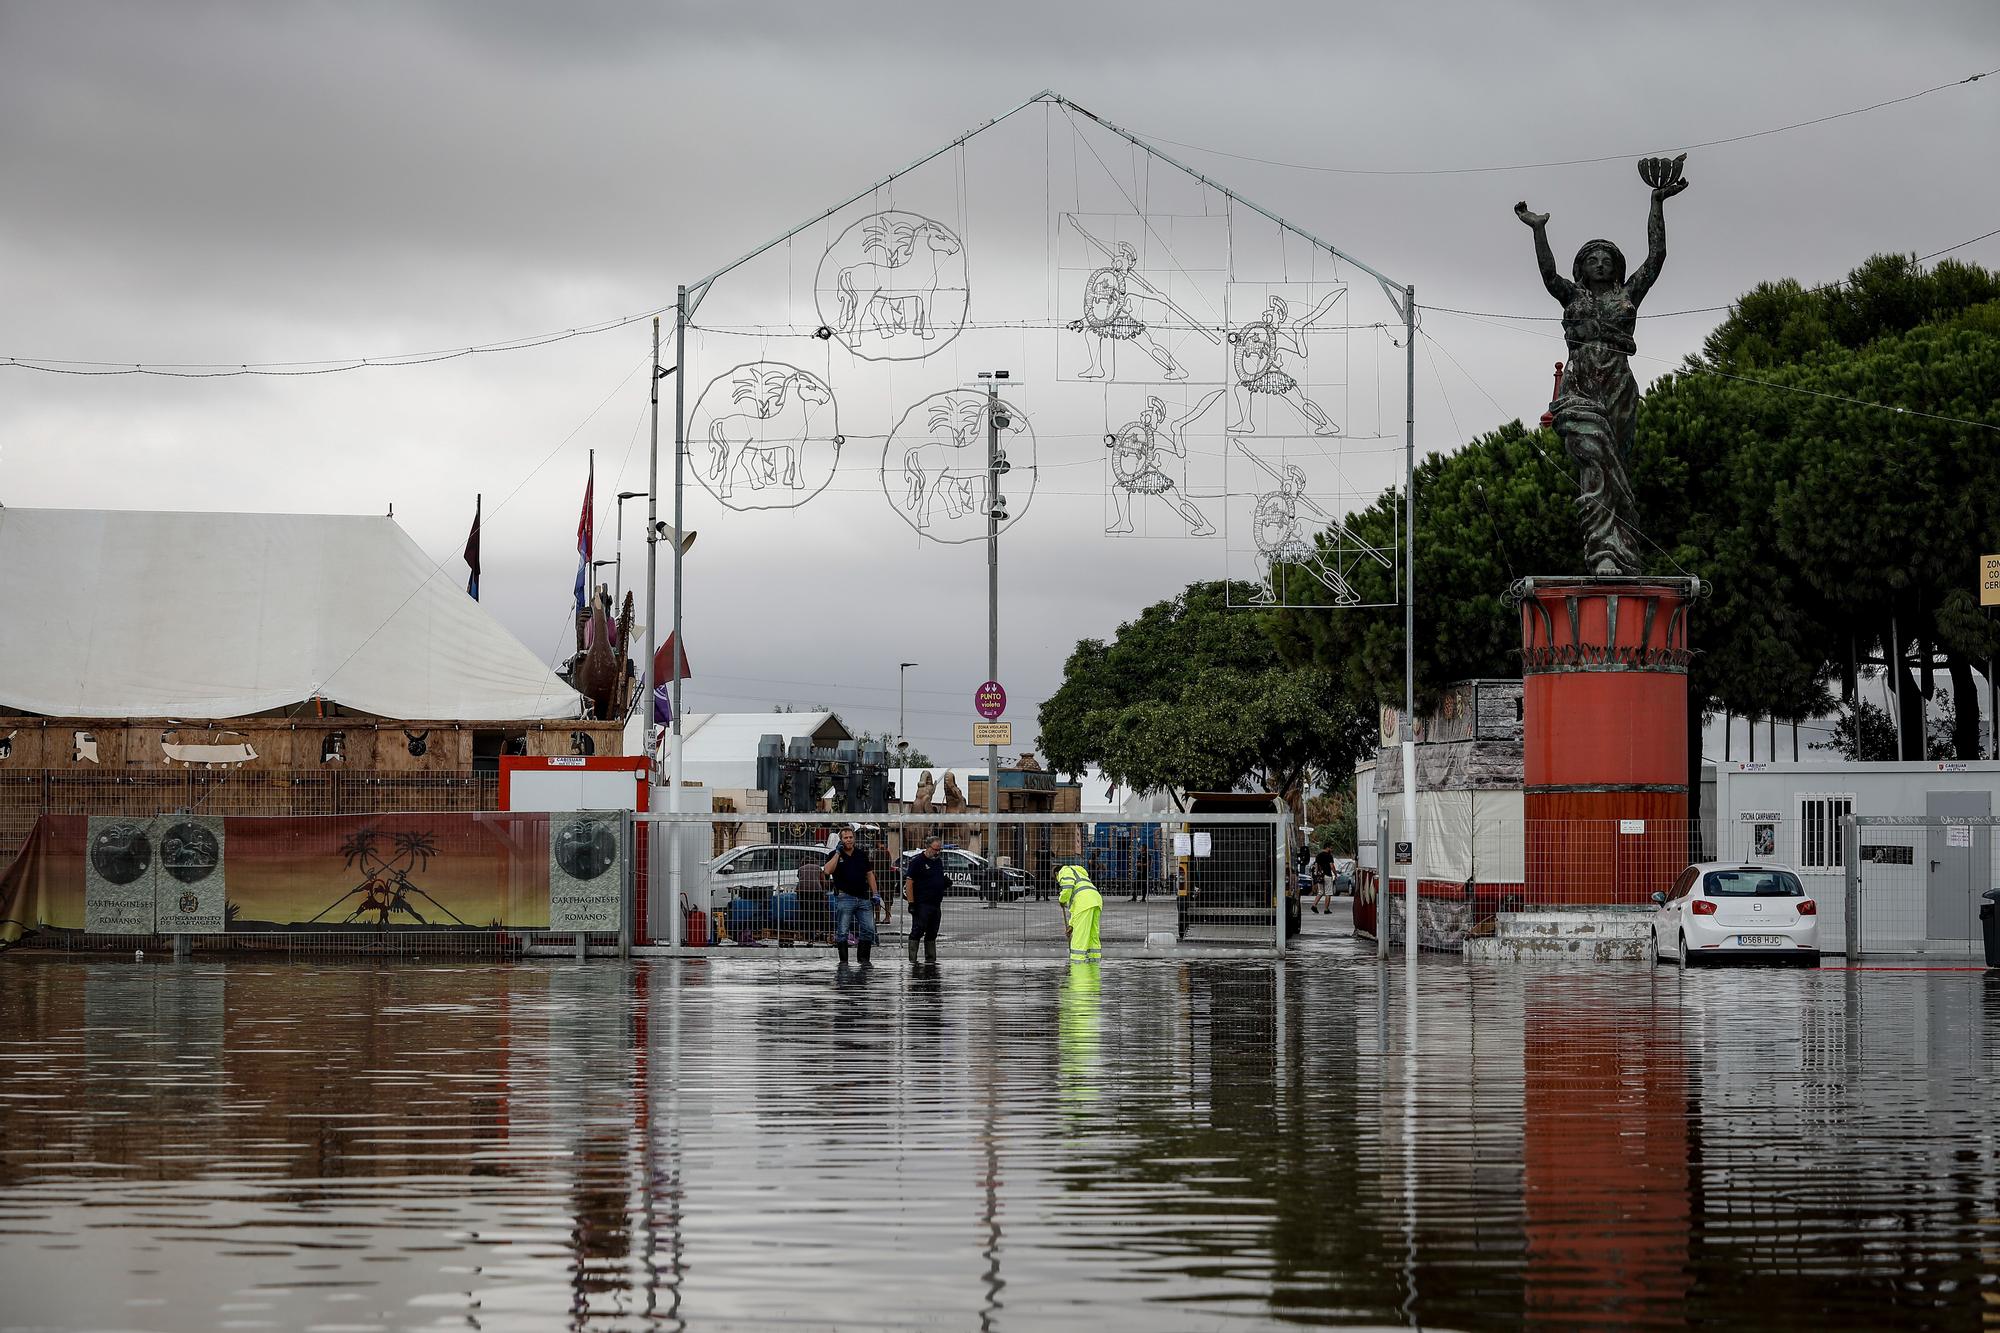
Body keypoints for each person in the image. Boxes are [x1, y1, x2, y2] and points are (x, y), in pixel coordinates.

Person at [823, 825, 879, 967]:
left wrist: (875, 893)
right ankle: (844, 961)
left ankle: (863, 959)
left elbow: (869, 874)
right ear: (841, 840)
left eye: (850, 837)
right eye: (845, 838)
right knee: (843, 930)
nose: (848, 840)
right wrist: (837, 853)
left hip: (863, 897)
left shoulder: (861, 854)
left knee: (868, 929)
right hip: (845, 897)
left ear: (854, 838)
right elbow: (827, 871)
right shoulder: (834, 854)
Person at [903, 833, 950, 965]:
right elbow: (909, 883)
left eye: (939, 850)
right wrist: (911, 903)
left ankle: (930, 960)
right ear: (928, 847)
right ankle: (913, 960)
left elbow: (937, 878)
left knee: (932, 932)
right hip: (922, 903)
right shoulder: (917, 862)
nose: (937, 852)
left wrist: (944, 882)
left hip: (936, 903)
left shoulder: (938, 862)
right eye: (935, 849)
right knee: (918, 930)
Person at [1056, 863, 1102, 963]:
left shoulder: (1065, 870)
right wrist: (1071, 925)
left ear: (1056, 873)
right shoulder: (1080, 875)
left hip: (1084, 902)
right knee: (1092, 935)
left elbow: (1067, 886)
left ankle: (1077, 963)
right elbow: (1075, 910)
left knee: (1079, 937)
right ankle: (1094, 962)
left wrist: (1062, 899)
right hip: (1096, 900)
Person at [1312, 844, 1335, 915]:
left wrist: (1316, 874)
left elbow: (1316, 865)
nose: (1332, 850)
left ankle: (1314, 905)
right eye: (1331, 848)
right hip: (1327, 875)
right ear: (1327, 848)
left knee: (1320, 892)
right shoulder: (1329, 856)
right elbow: (1332, 866)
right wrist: (1335, 874)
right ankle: (1326, 909)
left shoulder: (1318, 855)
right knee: (1328, 892)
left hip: (1320, 876)